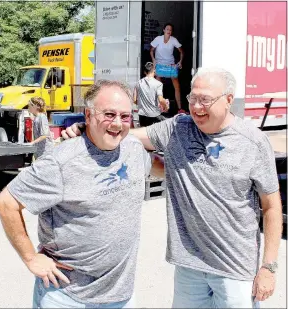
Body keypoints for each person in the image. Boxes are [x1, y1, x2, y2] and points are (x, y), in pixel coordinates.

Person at [61, 68, 283, 308]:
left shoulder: (253, 142)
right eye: (192, 98)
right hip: (189, 267)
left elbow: (271, 207)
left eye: (205, 99)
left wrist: (268, 268)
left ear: (229, 100)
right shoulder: (178, 128)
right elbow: (129, 136)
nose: (197, 107)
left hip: (235, 269)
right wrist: (88, 131)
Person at [0, 80, 161, 308]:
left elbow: (158, 167)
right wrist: (31, 258)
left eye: (125, 116)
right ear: (89, 115)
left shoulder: (133, 148)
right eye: (109, 114)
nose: (118, 123)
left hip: (121, 296)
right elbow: (6, 203)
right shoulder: (62, 161)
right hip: (67, 296)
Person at [150, 23, 186, 114]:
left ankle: (180, 109)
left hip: (170, 64)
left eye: (170, 30)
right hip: (160, 64)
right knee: (158, 87)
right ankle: (158, 107)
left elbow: (181, 52)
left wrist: (180, 62)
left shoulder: (173, 40)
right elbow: (151, 50)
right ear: (164, 30)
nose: (169, 31)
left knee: (177, 87)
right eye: (167, 29)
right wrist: (154, 60)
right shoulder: (158, 39)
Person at [133, 62, 169, 127]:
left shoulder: (138, 83)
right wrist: (166, 106)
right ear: (154, 71)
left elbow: (135, 100)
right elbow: (161, 100)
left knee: (144, 135)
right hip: (155, 115)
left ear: (144, 72)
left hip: (142, 115)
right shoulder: (158, 84)